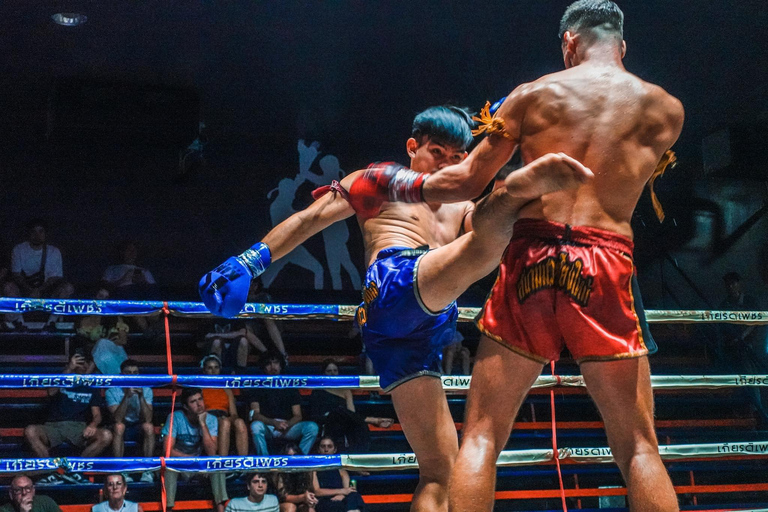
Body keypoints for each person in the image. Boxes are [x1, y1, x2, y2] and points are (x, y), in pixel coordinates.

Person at [350, 2, 685, 510]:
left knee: (482, 435)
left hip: (531, 255)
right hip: (606, 257)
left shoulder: (533, 95)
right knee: (637, 445)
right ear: (621, 45)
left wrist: (388, 180)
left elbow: (462, 182)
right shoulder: (666, 110)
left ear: (569, 41)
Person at [200, 106, 589, 511]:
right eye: (437, 152)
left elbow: (492, 229)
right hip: (393, 284)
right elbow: (309, 219)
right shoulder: (380, 180)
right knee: (492, 232)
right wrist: (249, 261)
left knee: (441, 468)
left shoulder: (462, 204)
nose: (447, 164)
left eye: (458, 159)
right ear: (412, 146)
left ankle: (540, 189)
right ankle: (525, 173)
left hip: (418, 332)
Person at [26, 353, 112, 485]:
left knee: (106, 435)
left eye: (85, 363)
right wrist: (69, 369)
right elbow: (51, 391)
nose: (82, 365)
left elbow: (97, 414)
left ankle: (74, 472)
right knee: (30, 431)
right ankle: (51, 473)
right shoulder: (63, 377)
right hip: (53, 426)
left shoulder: (91, 385)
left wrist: (93, 425)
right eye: (79, 362)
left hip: (78, 427)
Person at [161, 387, 228, 512]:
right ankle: (168, 509)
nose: (199, 404)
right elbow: (168, 451)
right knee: (169, 466)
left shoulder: (211, 419)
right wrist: (191, 459)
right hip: (179, 465)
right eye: (193, 402)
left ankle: (221, 509)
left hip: (198, 467)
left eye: (200, 399)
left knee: (216, 461)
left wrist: (203, 424)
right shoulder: (175, 417)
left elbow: (212, 451)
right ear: (186, 406)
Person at [4, 218, 74, 331]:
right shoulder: (18, 249)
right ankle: (18, 323)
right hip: (25, 290)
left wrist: (39, 290)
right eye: (34, 232)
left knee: (67, 288)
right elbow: (16, 274)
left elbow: (55, 277)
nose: (37, 235)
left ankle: (52, 322)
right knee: (8, 287)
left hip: (47, 291)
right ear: (29, 233)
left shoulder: (54, 252)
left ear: (45, 234)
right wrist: (30, 290)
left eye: (41, 231)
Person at [309, 360, 392, 453]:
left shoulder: (346, 391)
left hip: (344, 422)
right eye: (329, 371)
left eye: (335, 371)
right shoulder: (317, 391)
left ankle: (362, 454)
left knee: (359, 423)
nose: (332, 373)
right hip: (328, 423)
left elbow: (351, 413)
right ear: (324, 373)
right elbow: (314, 414)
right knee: (337, 412)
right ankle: (373, 420)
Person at [247, 352, 319, 455]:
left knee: (312, 427)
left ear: (281, 365)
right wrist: (274, 423)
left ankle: (299, 461)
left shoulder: (289, 385)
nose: (273, 367)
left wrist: (287, 425)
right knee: (255, 426)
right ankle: (265, 463)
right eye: (268, 364)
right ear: (264, 367)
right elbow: (255, 414)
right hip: (268, 426)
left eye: (276, 363)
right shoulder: (257, 386)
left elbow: (298, 415)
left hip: (288, 427)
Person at [106, 359, 155, 483]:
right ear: (122, 374)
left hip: (137, 425)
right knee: (119, 426)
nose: (132, 376)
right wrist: (126, 397)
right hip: (120, 426)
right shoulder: (112, 390)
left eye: (135, 372)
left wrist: (141, 397)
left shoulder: (146, 389)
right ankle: (120, 469)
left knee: (149, 427)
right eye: (128, 372)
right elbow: (117, 418)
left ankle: (147, 470)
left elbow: (148, 418)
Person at [200, 354, 249, 456]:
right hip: (208, 416)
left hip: (224, 416)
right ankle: (222, 465)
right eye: (210, 368)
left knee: (239, 422)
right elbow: (199, 410)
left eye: (216, 367)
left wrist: (227, 419)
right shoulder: (200, 389)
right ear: (204, 371)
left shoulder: (226, 390)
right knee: (225, 423)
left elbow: (234, 414)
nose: (213, 371)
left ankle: (243, 464)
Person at [312, 437, 365, 512]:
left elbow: (347, 489)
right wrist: (341, 491)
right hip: (325, 499)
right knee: (335, 505)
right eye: (323, 446)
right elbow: (317, 491)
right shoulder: (314, 469)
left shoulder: (340, 468)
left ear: (335, 449)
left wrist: (342, 495)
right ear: (318, 449)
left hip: (341, 496)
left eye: (329, 446)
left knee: (354, 496)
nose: (326, 450)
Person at [272, 444, 317, 512]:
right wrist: (303, 497)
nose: (292, 459)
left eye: (295, 456)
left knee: (310, 510)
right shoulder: (279, 472)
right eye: (289, 457)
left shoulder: (305, 471)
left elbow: (308, 490)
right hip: (281, 503)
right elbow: (284, 497)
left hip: (301, 501)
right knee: (290, 508)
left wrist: (310, 499)